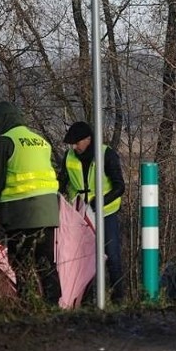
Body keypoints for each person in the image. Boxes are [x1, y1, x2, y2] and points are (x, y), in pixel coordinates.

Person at [0, 101, 61, 304]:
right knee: (46, 261)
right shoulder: (41, 141)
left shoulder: (6, 141)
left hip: (21, 213)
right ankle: (52, 303)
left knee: (20, 260)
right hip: (49, 211)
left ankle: (27, 301)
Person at [58, 121, 126, 303]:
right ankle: (84, 301)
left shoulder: (107, 154)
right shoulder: (69, 157)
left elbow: (120, 187)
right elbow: (61, 183)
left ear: (88, 139)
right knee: (81, 260)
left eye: (76, 142)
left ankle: (118, 298)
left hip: (105, 213)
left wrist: (98, 203)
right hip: (79, 216)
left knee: (112, 256)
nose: (73, 146)